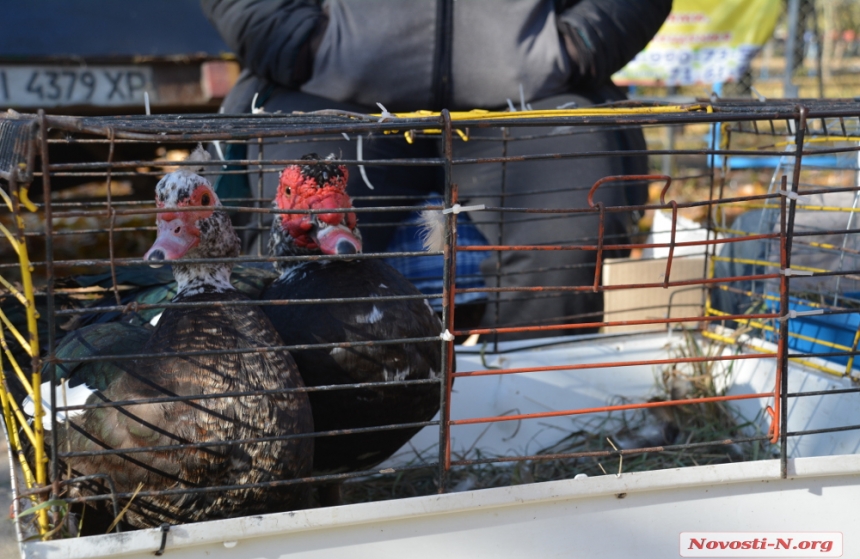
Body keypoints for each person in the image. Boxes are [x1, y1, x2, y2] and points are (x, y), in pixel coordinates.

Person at [201, 0, 673, 339]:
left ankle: (533, 432)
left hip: (537, 100)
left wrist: (571, 46)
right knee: (302, 238)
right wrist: (303, 45)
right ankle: (320, 431)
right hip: (326, 97)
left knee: (569, 232)